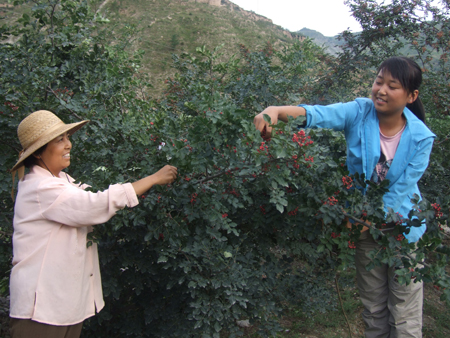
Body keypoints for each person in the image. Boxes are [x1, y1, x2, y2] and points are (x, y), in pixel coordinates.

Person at [253, 56, 435, 338]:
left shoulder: (422, 138)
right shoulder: (360, 112)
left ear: (411, 96)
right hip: (364, 228)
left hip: (402, 230)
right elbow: (318, 114)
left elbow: (401, 190)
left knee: (404, 312)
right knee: (373, 307)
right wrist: (275, 110)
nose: (381, 90)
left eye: (393, 85)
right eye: (379, 81)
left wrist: (365, 219)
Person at [9, 110, 177, 338]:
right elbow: (94, 205)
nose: (68, 145)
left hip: (63, 303)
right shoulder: (40, 188)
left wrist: (136, 187)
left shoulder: (62, 181)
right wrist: (153, 179)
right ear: (38, 152)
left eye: (68, 137)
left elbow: (98, 199)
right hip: (42, 307)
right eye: (60, 140)